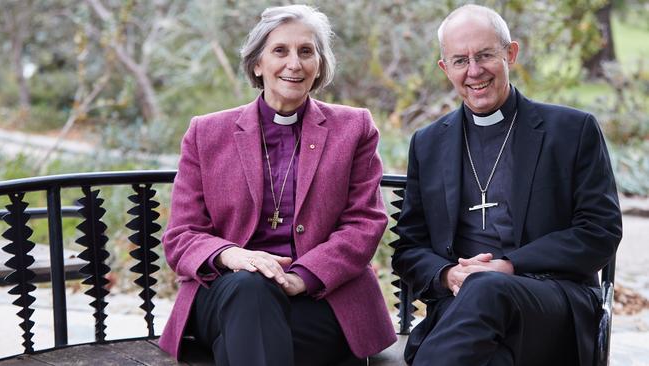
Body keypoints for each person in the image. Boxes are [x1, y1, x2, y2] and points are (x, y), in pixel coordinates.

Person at [158, 5, 396, 366]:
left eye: (306, 51)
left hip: (320, 297)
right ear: (257, 63)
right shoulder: (207, 133)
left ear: (319, 64)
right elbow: (183, 234)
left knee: (243, 342)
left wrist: (302, 277)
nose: (294, 64)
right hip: (227, 290)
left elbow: (364, 224)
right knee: (250, 289)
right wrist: (236, 257)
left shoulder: (354, 128)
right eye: (280, 51)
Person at [392, 4, 622, 366]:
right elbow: (409, 248)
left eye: (484, 55)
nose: (473, 71)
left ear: (510, 53)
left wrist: (511, 265)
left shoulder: (571, 131)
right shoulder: (428, 142)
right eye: (459, 60)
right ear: (444, 68)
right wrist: (449, 274)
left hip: (551, 301)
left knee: (486, 287)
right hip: (464, 313)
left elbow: (600, 233)